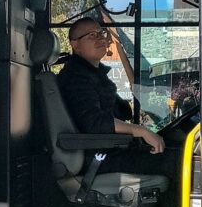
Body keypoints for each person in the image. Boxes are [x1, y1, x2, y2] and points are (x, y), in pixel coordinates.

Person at [57, 17, 178, 183]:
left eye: (101, 33)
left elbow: (122, 111)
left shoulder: (94, 74)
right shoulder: (76, 78)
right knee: (181, 162)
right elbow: (95, 122)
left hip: (111, 149)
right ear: (75, 45)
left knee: (175, 148)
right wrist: (141, 131)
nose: (100, 38)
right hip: (99, 156)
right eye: (92, 35)